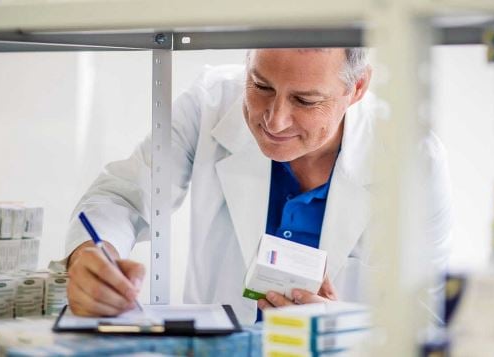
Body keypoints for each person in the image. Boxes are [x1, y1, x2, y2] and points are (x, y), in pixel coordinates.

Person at [64, 48, 452, 325]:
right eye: (261, 86)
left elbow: (427, 313)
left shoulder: (411, 157)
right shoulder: (210, 103)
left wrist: (337, 323)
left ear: (358, 88)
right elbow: (122, 195)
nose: (275, 120)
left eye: (305, 100)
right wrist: (90, 256)